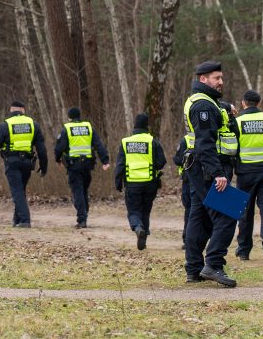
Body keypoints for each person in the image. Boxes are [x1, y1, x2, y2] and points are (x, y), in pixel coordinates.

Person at [182, 60, 240, 287]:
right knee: (229, 212)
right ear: (203, 79)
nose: (221, 82)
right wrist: (218, 173)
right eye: (217, 78)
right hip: (209, 169)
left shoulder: (206, 102)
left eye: (221, 78)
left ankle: (194, 268)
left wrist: (225, 108)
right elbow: (206, 143)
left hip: (200, 169)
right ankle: (213, 264)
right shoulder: (204, 106)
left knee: (199, 217)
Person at [234, 90, 263, 262]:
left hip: (245, 174)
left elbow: (232, 148)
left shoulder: (237, 122)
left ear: (243, 103)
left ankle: (244, 250)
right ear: (259, 103)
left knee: (245, 212)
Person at [0, 101, 48, 228]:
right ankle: (17, 220)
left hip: (12, 162)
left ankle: (25, 220)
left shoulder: (5, 125)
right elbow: (41, 148)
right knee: (20, 190)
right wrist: (44, 165)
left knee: (17, 191)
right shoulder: (33, 125)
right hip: (27, 162)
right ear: (23, 110)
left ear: (11, 110)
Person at [114, 113, 166, 250]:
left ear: (135, 126)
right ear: (146, 126)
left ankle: (138, 228)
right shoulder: (152, 141)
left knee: (133, 211)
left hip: (132, 184)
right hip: (150, 183)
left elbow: (120, 165)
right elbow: (162, 162)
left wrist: (118, 182)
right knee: (146, 210)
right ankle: (144, 236)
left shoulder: (125, 142)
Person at [53, 107, 110, 228]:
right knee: (83, 190)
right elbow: (98, 144)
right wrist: (105, 160)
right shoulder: (88, 127)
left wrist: (57, 159)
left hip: (74, 166)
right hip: (87, 165)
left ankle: (82, 219)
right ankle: (84, 212)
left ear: (69, 118)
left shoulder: (67, 129)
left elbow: (59, 147)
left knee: (77, 191)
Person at [172, 133, 194, 247]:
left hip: (189, 180)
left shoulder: (187, 139)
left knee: (190, 210)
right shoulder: (211, 134)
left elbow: (178, 160)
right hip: (208, 180)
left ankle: (188, 240)